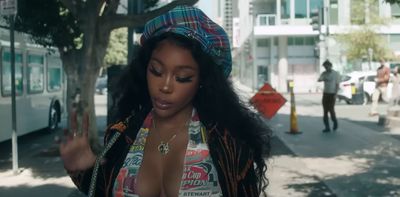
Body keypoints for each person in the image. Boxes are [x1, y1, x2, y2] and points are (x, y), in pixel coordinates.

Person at [60, 5, 271, 197]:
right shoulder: (121, 135)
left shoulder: (228, 144)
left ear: (202, 81)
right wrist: (84, 170)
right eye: (156, 71)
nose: (165, 86)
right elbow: (104, 189)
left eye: (182, 78)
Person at [318, 60, 340, 132]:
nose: (326, 68)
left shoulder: (335, 74)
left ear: (330, 66)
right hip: (325, 94)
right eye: (325, 67)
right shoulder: (324, 73)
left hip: (332, 94)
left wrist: (335, 95)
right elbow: (319, 79)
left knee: (331, 110)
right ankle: (327, 127)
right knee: (325, 111)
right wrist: (323, 78)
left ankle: (335, 122)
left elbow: (337, 85)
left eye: (327, 66)